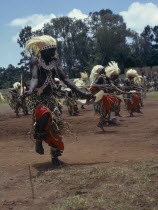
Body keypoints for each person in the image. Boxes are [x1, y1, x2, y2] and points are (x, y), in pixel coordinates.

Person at [24, 35, 92, 165]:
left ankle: (55, 157)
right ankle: (38, 138)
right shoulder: (35, 60)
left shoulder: (55, 62)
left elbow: (65, 79)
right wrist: (31, 89)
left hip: (50, 98)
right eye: (51, 50)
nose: (54, 52)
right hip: (37, 98)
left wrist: (82, 92)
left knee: (55, 126)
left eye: (54, 50)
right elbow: (34, 78)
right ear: (43, 51)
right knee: (44, 115)